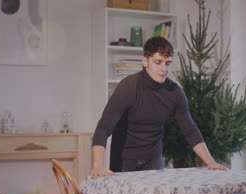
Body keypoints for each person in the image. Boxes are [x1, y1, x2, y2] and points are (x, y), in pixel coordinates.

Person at [91, 36, 227, 178]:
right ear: (145, 61)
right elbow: (103, 129)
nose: (164, 69)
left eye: (168, 63)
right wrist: (97, 166)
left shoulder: (175, 92)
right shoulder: (128, 87)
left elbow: (190, 130)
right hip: (124, 160)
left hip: (153, 159)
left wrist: (210, 162)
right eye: (158, 62)